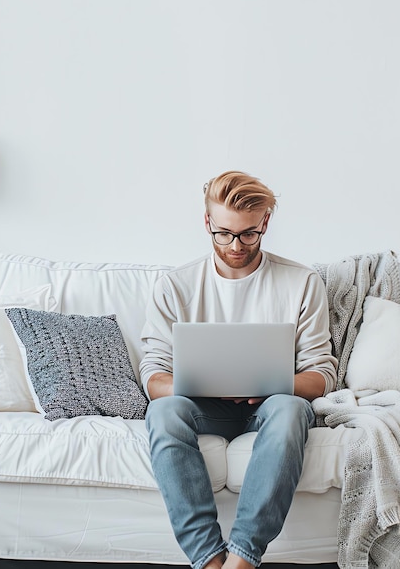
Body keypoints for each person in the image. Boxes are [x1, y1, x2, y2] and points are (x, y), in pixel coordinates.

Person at [140, 170, 338, 569]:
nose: (235, 245)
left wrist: (269, 386)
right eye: (224, 234)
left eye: (248, 234)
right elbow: (153, 377)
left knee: (292, 409)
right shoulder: (175, 285)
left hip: (269, 407)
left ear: (265, 223)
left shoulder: (302, 282)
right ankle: (210, 560)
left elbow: (321, 375)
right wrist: (202, 384)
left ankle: (242, 559)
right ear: (208, 222)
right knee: (162, 412)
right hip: (202, 407)